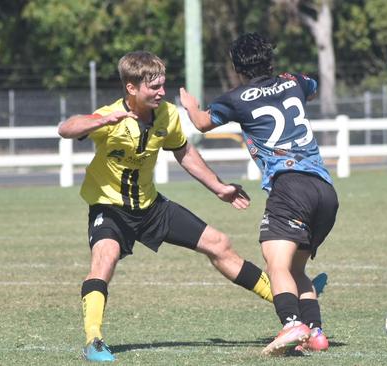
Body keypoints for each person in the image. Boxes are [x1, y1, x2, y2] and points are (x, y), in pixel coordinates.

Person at [59, 51, 284, 362]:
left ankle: (287, 303)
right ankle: (94, 340)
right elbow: (67, 128)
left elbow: (185, 153)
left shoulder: (166, 115)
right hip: (110, 209)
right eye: (154, 87)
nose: (161, 92)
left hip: (152, 208)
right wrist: (101, 119)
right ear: (132, 88)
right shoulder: (110, 117)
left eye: (162, 85)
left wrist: (220, 188)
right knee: (104, 261)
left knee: (219, 244)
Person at [180, 32, 337, 355]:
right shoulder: (294, 82)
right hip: (325, 190)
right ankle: (316, 333)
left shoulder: (235, 99)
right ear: (270, 59)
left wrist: (190, 105)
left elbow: (201, 123)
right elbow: (311, 85)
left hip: (290, 187)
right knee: (296, 270)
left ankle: (293, 324)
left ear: (237, 67)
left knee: (276, 265)